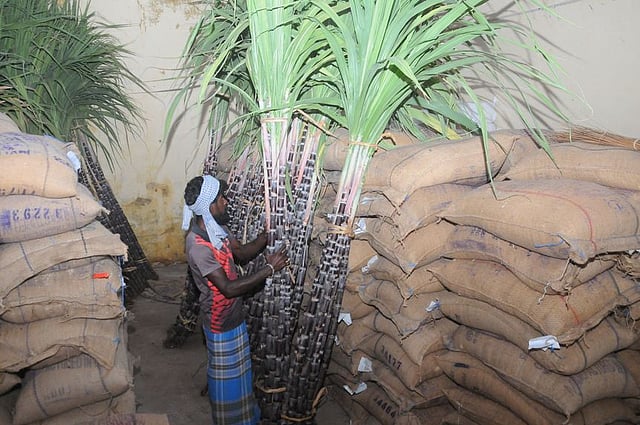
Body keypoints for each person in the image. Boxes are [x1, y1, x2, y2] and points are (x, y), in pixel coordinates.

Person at [182, 174, 288, 425]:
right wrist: (269, 269)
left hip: (233, 316)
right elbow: (228, 289)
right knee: (226, 385)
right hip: (219, 322)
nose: (226, 202)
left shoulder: (216, 228)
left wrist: (265, 236)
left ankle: (245, 418)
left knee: (239, 376)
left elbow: (240, 253)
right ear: (210, 206)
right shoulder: (198, 245)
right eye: (222, 198)